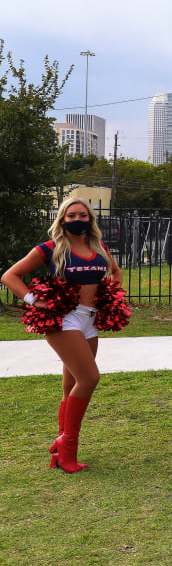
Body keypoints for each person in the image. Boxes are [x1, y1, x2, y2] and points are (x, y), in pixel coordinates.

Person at [3, 197, 124, 473]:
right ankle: (66, 445)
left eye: (83, 215)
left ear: (90, 219)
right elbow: (10, 276)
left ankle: (62, 451)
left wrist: (110, 294)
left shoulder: (99, 248)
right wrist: (34, 299)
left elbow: (115, 273)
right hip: (63, 319)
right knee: (90, 378)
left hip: (89, 320)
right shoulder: (50, 248)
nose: (77, 220)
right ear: (62, 219)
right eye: (71, 216)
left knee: (71, 386)